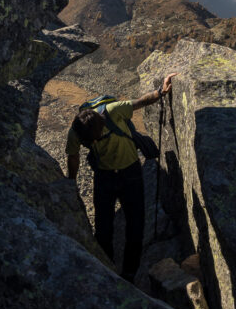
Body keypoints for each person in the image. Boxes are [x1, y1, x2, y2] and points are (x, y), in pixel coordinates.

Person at [66, 73, 177, 282]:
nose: (95, 144)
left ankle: (129, 275)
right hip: (104, 177)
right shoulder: (76, 132)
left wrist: (161, 91)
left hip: (130, 173)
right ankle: (106, 271)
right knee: (103, 230)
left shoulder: (112, 112)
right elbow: (73, 157)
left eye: (96, 139)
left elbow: (139, 102)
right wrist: (70, 184)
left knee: (135, 227)